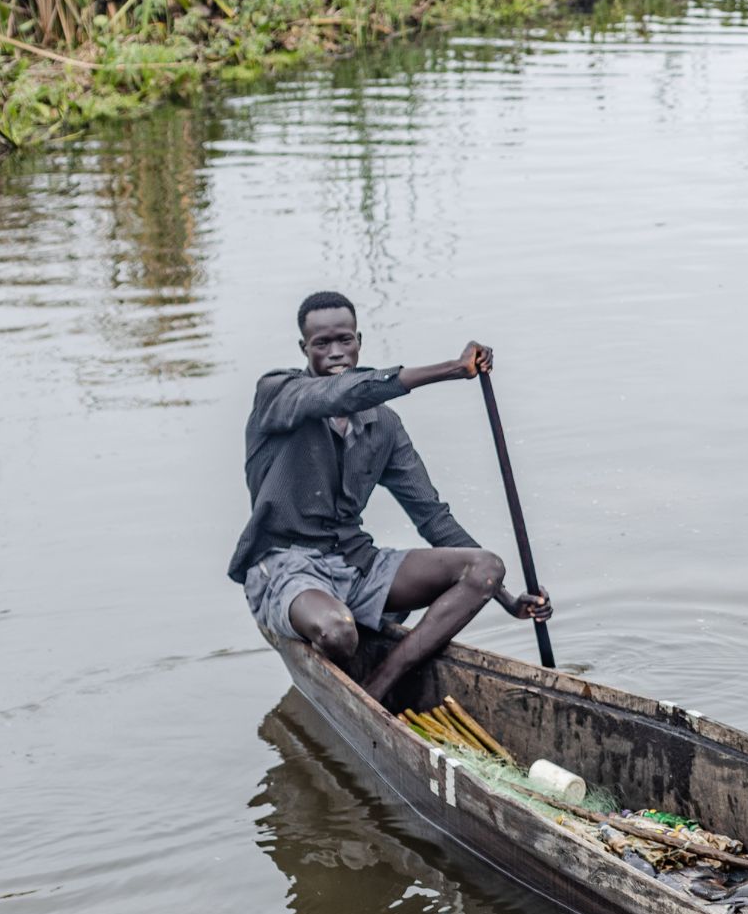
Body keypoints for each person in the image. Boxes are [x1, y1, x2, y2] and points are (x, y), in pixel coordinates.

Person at [229, 290, 549, 706]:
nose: (336, 352)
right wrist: (453, 368)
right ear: (303, 348)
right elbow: (342, 393)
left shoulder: (383, 425)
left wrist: (506, 598)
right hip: (285, 565)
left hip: (355, 563)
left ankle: (378, 688)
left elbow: (432, 516)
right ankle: (358, 670)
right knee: (339, 631)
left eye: (345, 339)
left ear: (359, 339)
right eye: (321, 344)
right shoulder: (278, 393)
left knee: (485, 568)